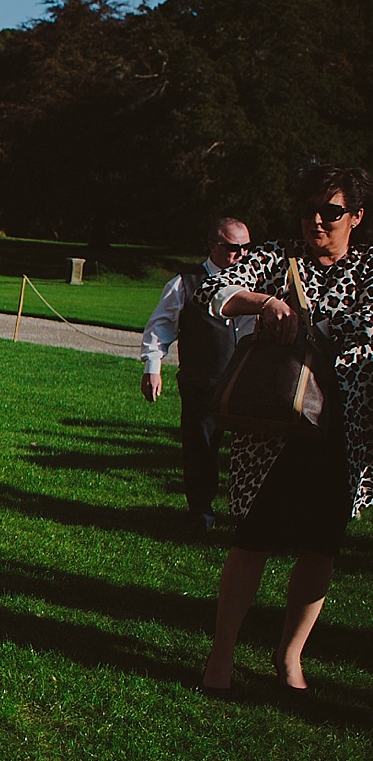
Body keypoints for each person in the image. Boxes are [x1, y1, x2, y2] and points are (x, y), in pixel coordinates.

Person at [197, 164, 373, 696]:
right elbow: (216, 291)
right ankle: (221, 656)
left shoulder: (369, 269)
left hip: (343, 428)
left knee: (321, 547)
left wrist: (320, 325)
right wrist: (266, 301)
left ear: (357, 217)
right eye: (309, 210)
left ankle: (289, 656)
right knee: (253, 540)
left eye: (332, 212)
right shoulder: (278, 257)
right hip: (274, 427)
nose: (316, 221)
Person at [139, 217, 255, 531]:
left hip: (247, 381)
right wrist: (153, 368)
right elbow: (160, 327)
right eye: (233, 248)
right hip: (202, 381)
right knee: (201, 451)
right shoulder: (185, 282)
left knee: (250, 453)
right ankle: (200, 515)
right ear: (213, 245)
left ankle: (249, 516)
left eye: (246, 247)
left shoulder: (256, 281)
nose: (241, 254)